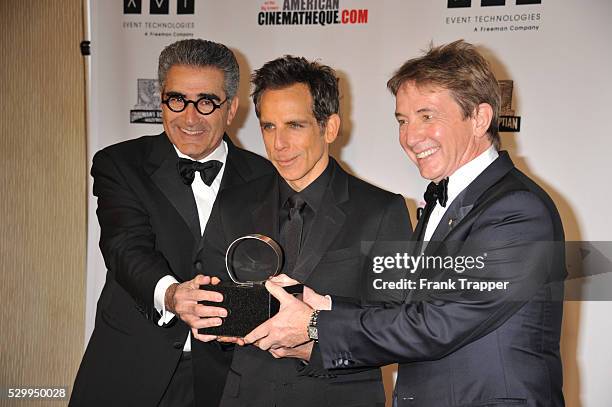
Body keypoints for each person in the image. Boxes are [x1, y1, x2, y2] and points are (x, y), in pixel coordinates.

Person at [244, 40, 566, 407]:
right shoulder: (441, 201)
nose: (410, 137)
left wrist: (315, 325)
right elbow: (408, 311)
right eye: (402, 121)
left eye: (427, 116)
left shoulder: (516, 210)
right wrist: (326, 306)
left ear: (479, 118)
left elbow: (437, 324)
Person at [195, 56, 412, 407]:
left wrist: (312, 334)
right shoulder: (232, 204)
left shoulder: (382, 210)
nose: (278, 144)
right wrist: (204, 312)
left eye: (294, 125)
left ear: (329, 127)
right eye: (268, 127)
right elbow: (217, 303)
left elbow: (397, 326)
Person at [70, 39, 273, 407]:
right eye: (177, 100)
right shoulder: (119, 164)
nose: (189, 118)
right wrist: (171, 295)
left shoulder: (267, 177)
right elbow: (124, 247)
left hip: (229, 379)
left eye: (207, 102)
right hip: (131, 369)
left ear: (231, 110)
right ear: (161, 100)